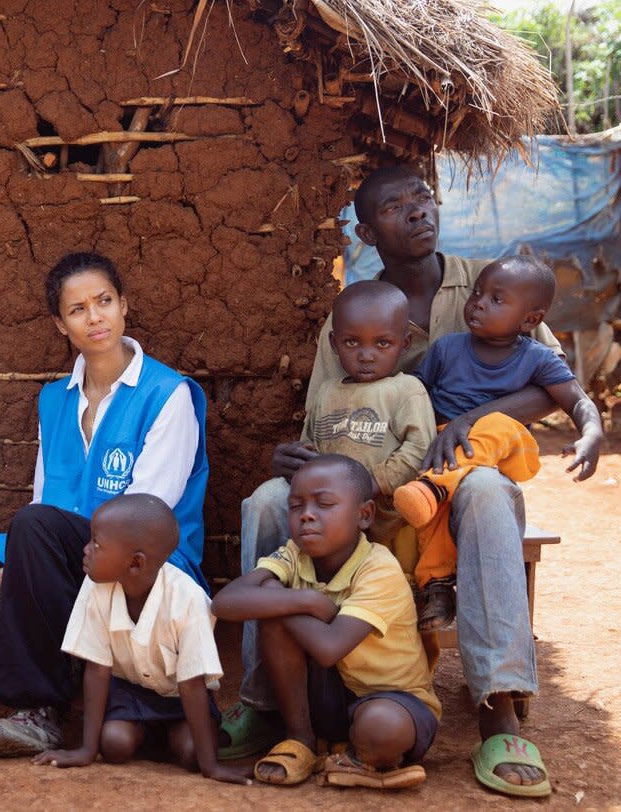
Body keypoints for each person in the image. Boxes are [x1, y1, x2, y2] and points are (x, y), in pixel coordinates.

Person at [232, 165, 563, 797]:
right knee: (268, 501)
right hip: (364, 475)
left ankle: (499, 707)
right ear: (365, 230)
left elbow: (553, 381)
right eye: (395, 207)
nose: (417, 211)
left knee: (490, 493)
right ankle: (265, 703)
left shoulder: (486, 282)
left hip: (458, 468)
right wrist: (298, 461)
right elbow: (323, 414)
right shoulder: (355, 306)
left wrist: (468, 419)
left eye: (423, 198)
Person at [0, 252, 210, 757]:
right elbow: (45, 493)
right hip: (65, 547)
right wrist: (20, 563)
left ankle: (39, 707)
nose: (95, 317)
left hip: (144, 560)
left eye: (104, 302)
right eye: (78, 309)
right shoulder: (54, 400)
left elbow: (148, 516)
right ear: (60, 324)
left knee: (33, 531)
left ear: (123, 306)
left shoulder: (167, 394)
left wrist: (33, 558)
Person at [393, 256, 602, 631]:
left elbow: (578, 401)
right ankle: (437, 585)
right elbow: (415, 394)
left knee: (497, 425)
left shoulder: (536, 359)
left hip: (499, 455)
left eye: (496, 299)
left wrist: (591, 435)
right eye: (477, 293)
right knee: (432, 515)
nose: (478, 303)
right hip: (446, 452)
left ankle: (433, 487)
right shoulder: (447, 349)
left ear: (530, 321)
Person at [212, 455, 439, 790]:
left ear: (364, 515)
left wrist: (276, 598)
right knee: (275, 615)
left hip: (393, 698)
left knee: (380, 728)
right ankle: (302, 741)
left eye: (325, 504)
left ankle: (361, 756)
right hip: (328, 697)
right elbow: (225, 602)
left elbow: (329, 648)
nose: (306, 514)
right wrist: (303, 599)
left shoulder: (378, 568)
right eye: (296, 506)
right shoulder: (294, 554)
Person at [31, 494, 250, 785]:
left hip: (181, 698)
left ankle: (169, 736)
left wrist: (211, 767)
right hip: (130, 694)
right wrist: (87, 750)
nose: (85, 550)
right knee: (114, 745)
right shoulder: (95, 586)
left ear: (135, 563)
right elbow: (97, 669)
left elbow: (192, 684)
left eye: (96, 544)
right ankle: (144, 734)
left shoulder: (188, 599)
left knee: (191, 753)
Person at [288, 279, 433, 563]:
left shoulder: (405, 390)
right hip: (329, 516)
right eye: (352, 342)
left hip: (387, 514)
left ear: (405, 344)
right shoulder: (327, 392)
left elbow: (420, 448)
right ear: (333, 343)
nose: (366, 356)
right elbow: (310, 447)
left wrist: (372, 482)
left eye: (382, 343)